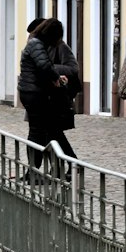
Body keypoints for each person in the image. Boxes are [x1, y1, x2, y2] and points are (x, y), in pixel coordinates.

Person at [18, 17, 78, 170]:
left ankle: (61, 167)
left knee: (49, 132)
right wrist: (54, 75)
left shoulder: (58, 46)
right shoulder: (36, 45)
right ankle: (58, 167)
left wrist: (55, 74)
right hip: (39, 94)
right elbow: (42, 66)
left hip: (50, 96)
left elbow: (71, 68)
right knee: (47, 132)